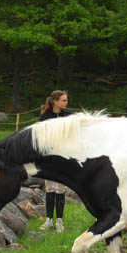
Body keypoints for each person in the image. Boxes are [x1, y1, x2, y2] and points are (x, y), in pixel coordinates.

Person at [38, 90, 72, 232]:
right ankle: (48, 220)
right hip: (49, 158)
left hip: (62, 157)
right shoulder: (45, 117)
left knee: (60, 189)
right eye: (63, 100)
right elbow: (41, 137)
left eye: (66, 100)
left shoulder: (69, 116)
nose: (66, 102)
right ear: (55, 101)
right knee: (50, 189)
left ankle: (59, 221)